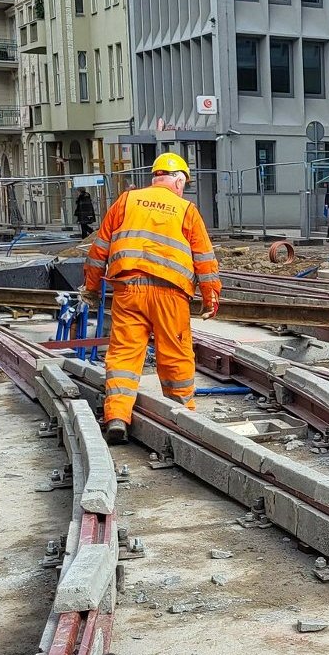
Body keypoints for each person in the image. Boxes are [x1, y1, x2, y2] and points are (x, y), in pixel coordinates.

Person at [83, 152, 222, 443]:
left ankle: (118, 417)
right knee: (175, 355)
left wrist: (92, 289)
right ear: (179, 180)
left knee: (123, 355)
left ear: (155, 177)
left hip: (128, 291)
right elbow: (205, 259)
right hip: (170, 294)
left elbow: (99, 250)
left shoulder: (126, 201)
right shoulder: (186, 209)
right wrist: (210, 298)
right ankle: (183, 417)